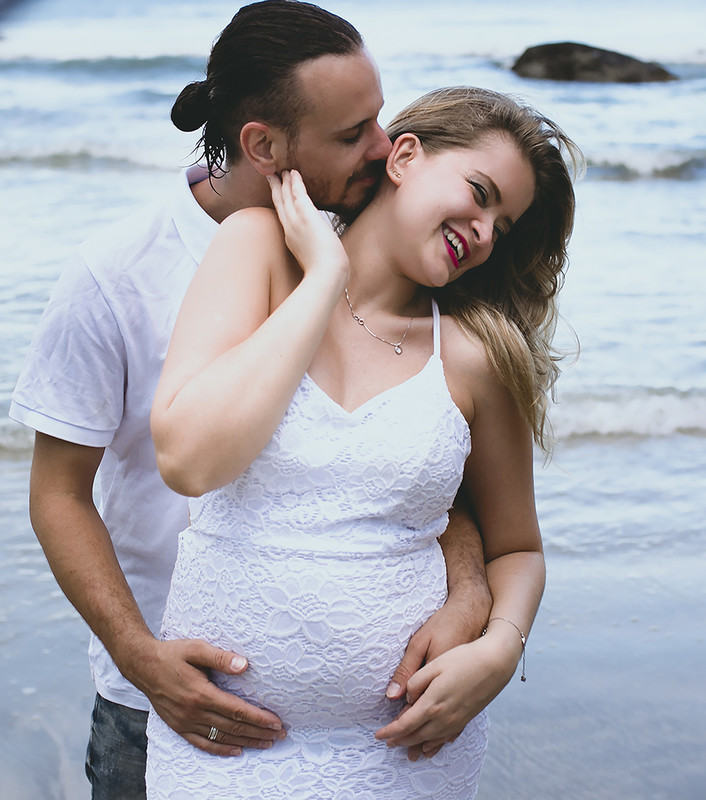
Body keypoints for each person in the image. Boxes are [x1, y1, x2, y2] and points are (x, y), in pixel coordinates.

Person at [7, 2, 491, 796]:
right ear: (264, 144)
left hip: (377, 734)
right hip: (170, 708)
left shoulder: (374, 244)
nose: (384, 148)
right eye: (351, 133)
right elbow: (58, 494)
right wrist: (141, 658)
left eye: (377, 116)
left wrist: (471, 596)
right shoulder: (117, 273)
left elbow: (429, 465)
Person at [143, 85, 579, 796]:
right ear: (405, 156)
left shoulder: (475, 354)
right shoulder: (258, 250)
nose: (486, 228)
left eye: (505, 223)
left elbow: (515, 548)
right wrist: (326, 276)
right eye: (479, 191)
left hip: (407, 754)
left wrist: (499, 651)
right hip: (221, 752)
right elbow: (189, 460)